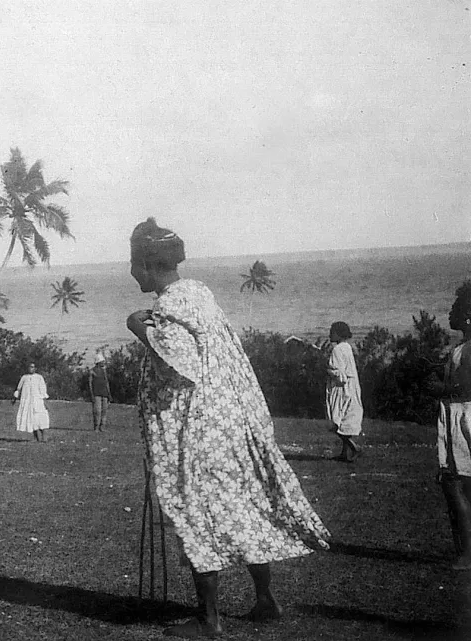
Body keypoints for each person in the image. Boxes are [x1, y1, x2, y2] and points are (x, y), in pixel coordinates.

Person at [126, 218, 331, 638]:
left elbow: (177, 362)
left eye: (134, 264)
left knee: (197, 511)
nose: (131, 274)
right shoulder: (199, 294)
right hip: (229, 422)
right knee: (242, 506)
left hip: (199, 429)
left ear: (148, 264)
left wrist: (136, 328)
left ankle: (209, 618)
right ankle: (265, 599)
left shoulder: (169, 306)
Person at [437, 280, 471, 571]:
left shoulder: (467, 349)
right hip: (458, 413)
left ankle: (467, 554)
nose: (451, 313)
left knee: (455, 483)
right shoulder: (461, 348)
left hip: (463, 416)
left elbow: (462, 386)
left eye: (456, 308)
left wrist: (436, 389)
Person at [325, 321, 363, 462]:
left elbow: (340, 373)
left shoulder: (337, 350)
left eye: (332, 331)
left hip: (341, 389)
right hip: (351, 387)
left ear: (338, 333)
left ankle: (353, 447)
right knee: (345, 418)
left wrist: (328, 370)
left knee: (336, 420)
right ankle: (344, 453)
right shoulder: (347, 347)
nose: (330, 334)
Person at [14, 363, 50, 442]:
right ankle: (36, 438)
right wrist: (15, 397)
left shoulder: (39, 377)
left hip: (38, 401)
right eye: (29, 367)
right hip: (27, 402)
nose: (31, 368)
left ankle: (45, 438)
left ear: (35, 368)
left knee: (42, 419)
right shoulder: (24, 377)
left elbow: (43, 389)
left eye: (32, 367)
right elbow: (19, 388)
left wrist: (44, 401)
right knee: (31, 420)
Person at [89, 353, 110, 432]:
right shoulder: (92, 371)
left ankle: (102, 426)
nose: (104, 362)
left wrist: (109, 394)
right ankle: (96, 427)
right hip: (96, 393)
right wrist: (92, 394)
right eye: (102, 361)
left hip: (104, 393)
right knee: (97, 411)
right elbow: (90, 383)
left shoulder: (104, 371)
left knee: (104, 410)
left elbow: (106, 382)